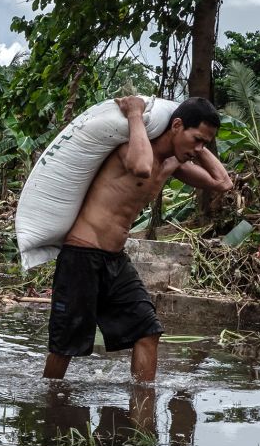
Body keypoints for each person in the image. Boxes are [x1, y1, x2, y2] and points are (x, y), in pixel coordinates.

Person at [43, 96, 234, 383]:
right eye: (196, 139)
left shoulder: (172, 163)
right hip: (81, 255)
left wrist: (198, 146)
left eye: (204, 143)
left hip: (115, 260)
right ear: (177, 125)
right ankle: (49, 400)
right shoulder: (130, 149)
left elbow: (223, 183)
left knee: (147, 330)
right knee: (65, 346)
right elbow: (143, 166)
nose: (198, 149)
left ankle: (143, 415)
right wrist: (135, 113)